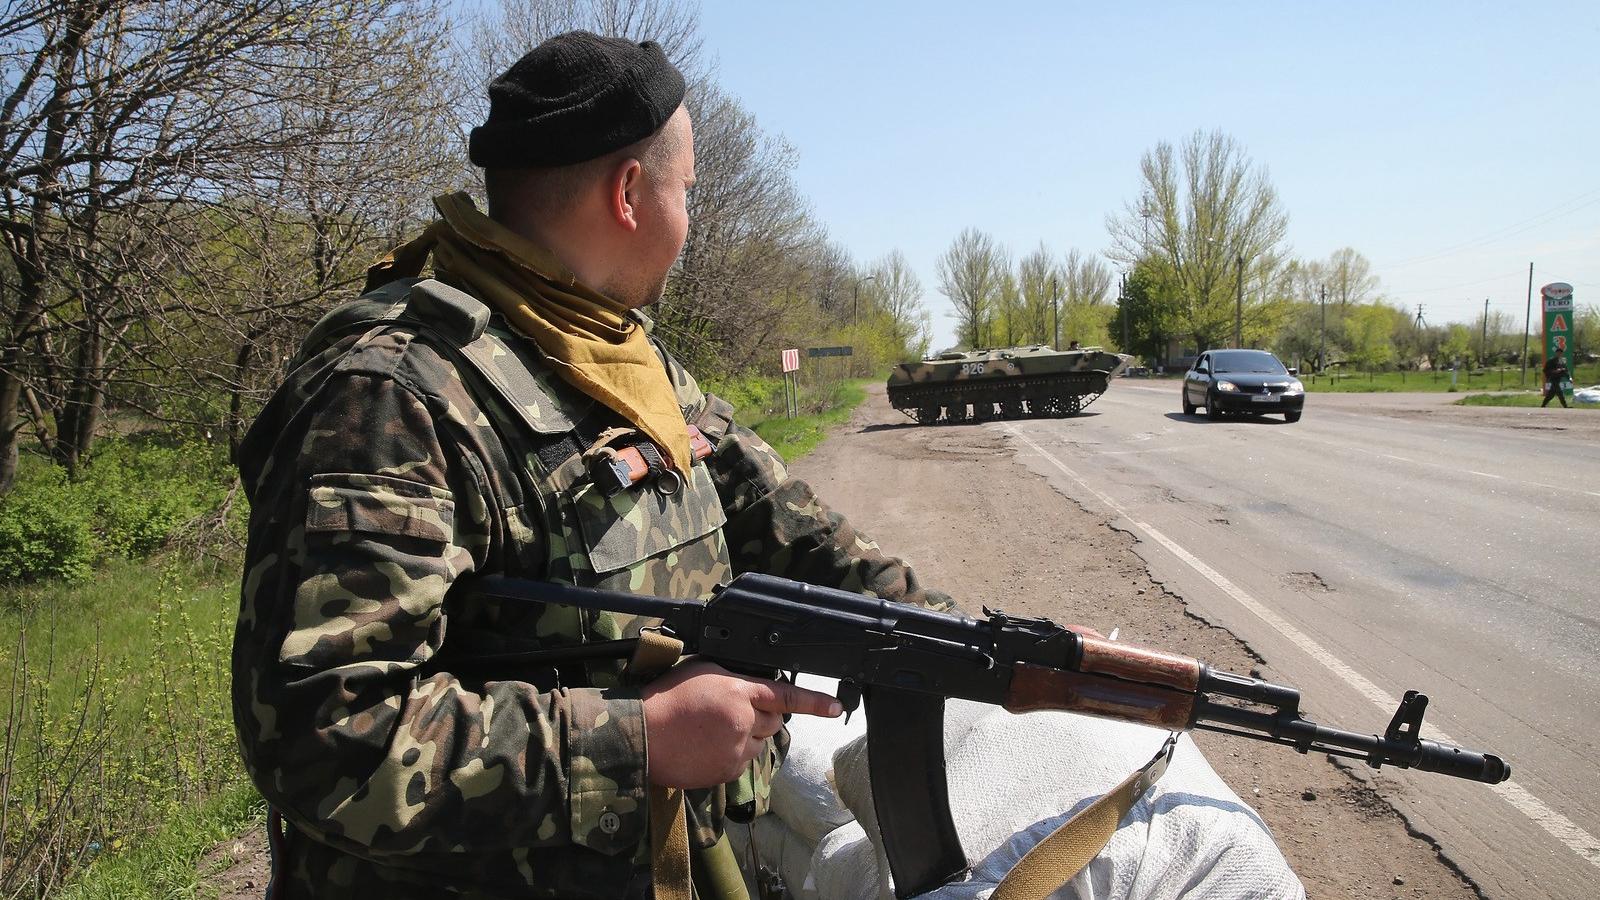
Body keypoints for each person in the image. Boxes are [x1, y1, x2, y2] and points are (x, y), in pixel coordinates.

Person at [231, 32, 956, 900]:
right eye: (686, 192)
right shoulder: (390, 396)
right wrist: (641, 739)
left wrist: (977, 642)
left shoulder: (614, 352)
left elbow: (782, 524)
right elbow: (324, 735)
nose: (689, 223)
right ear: (628, 192)